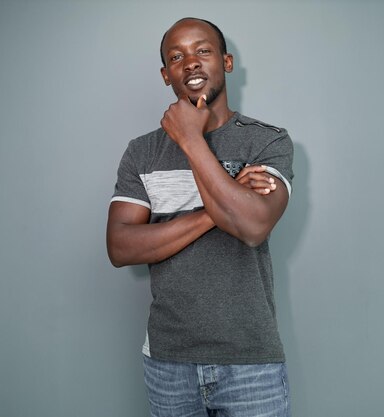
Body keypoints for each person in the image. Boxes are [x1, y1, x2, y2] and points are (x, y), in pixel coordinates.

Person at [106, 17, 294, 417]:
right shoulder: (141, 152)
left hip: (250, 362)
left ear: (226, 62)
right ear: (165, 75)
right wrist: (222, 206)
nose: (190, 62)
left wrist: (190, 139)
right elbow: (121, 247)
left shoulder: (267, 141)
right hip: (167, 362)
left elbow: (253, 227)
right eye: (177, 57)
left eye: (202, 51)